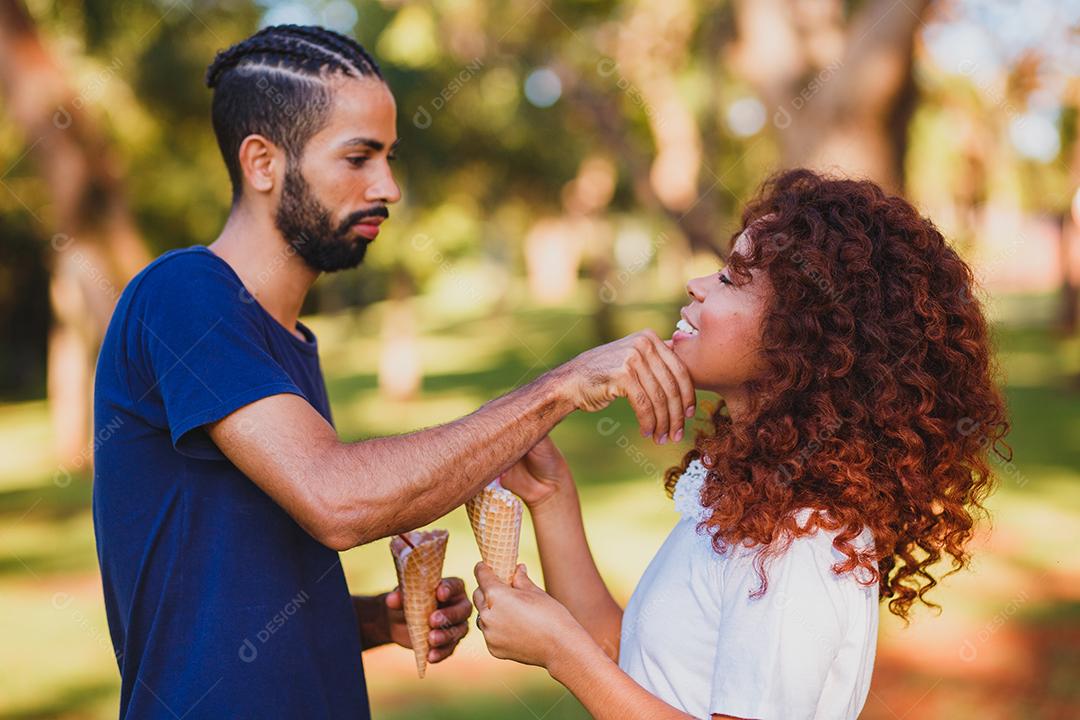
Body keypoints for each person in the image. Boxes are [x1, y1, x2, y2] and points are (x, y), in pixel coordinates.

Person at [91, 24, 694, 720]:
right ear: (262, 162)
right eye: (359, 157)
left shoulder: (287, 341)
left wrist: (379, 621)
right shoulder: (184, 294)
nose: (390, 186)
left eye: (390, 156)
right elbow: (337, 500)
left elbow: (228, 601)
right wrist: (557, 387)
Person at [472, 169, 1011, 720]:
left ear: (801, 336)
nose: (697, 285)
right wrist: (550, 495)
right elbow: (628, 660)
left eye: (731, 279)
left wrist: (562, 653)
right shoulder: (752, 500)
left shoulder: (801, 539)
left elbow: (595, 665)